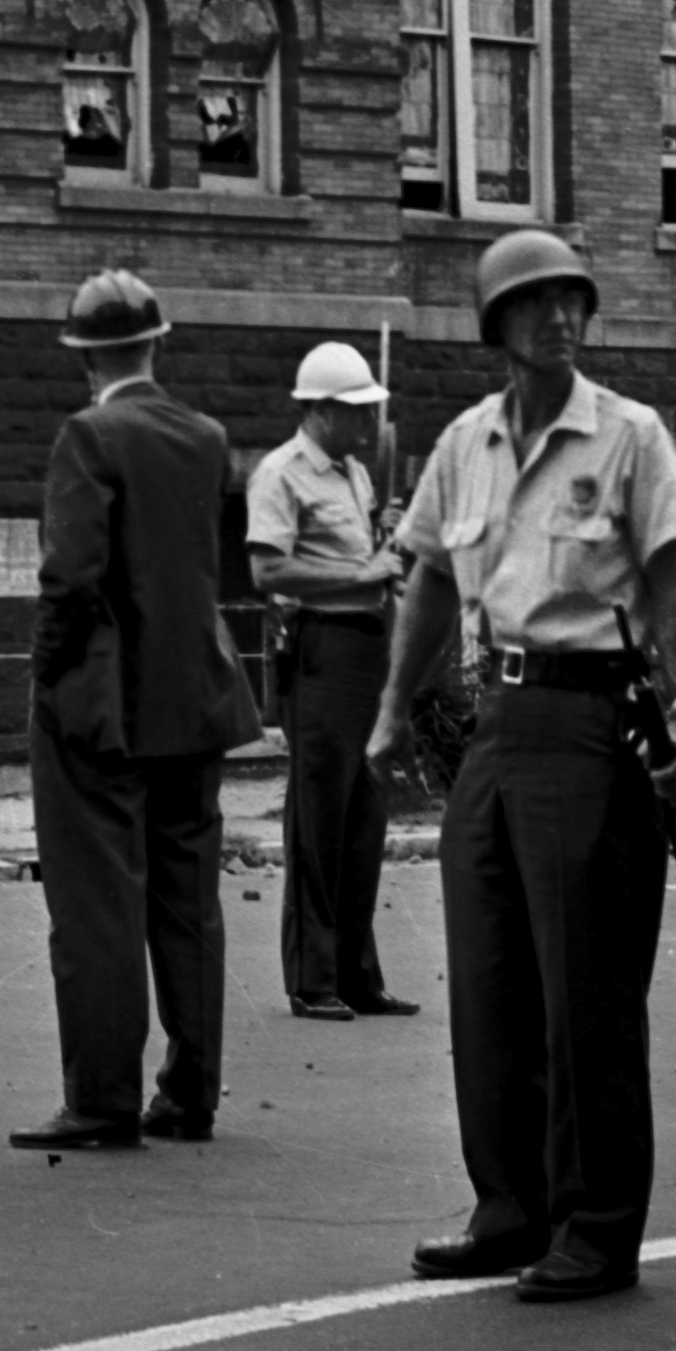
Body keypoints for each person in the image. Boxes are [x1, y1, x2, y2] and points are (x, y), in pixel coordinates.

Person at [368, 230, 676, 1305]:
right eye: (535, 305)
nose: (559, 319)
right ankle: (508, 1205)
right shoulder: (466, 442)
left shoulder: (629, 436)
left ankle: (597, 1224)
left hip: (593, 716)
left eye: (572, 303)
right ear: (498, 328)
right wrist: (390, 712)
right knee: (491, 978)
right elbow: (427, 580)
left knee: (586, 988)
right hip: (499, 718)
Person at [12, 269, 257, 1153]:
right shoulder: (205, 435)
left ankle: (102, 1097)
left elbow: (69, 579)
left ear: (85, 357)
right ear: (156, 343)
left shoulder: (89, 435)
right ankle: (192, 1092)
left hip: (104, 703)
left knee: (98, 904)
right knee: (188, 901)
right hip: (193, 695)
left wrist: (43, 676)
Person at [247, 340, 410, 1021]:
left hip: (367, 651)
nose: (368, 425)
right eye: (355, 412)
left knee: (363, 818)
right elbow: (267, 573)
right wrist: (360, 574)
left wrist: (387, 541)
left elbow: (369, 561)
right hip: (322, 650)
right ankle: (313, 980)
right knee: (319, 818)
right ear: (318, 409)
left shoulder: (353, 472)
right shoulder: (280, 474)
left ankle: (354, 973)